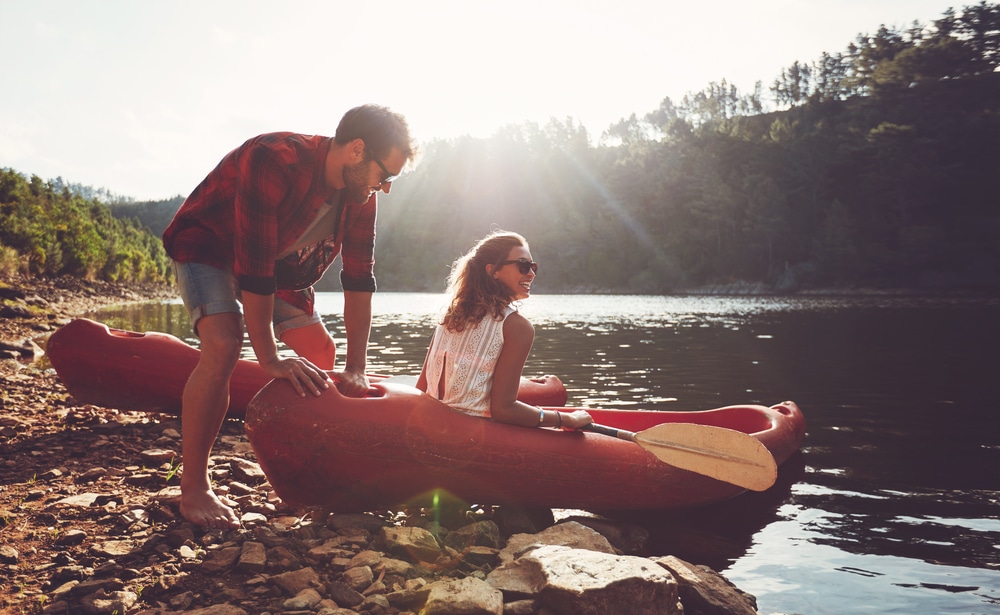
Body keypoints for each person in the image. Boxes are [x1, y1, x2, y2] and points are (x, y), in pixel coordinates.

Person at [162, 104, 415, 529]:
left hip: (277, 265)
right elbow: (253, 268)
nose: (385, 188)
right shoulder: (275, 158)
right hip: (209, 246)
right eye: (384, 175)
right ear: (356, 150)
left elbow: (358, 281)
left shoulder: (361, 197)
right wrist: (271, 358)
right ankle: (195, 488)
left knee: (321, 349)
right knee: (224, 344)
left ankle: (311, 468)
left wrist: (357, 368)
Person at [416, 231, 593, 430]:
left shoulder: (450, 317)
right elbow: (504, 410)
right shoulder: (517, 327)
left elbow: (420, 390)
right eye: (523, 266)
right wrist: (564, 419)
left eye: (533, 267)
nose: (531, 274)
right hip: (472, 436)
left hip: (430, 425)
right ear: (493, 271)